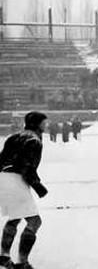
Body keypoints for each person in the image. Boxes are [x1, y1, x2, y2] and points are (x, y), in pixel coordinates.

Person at [0, 111, 49, 269]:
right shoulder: (34, 140)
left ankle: (4, 256)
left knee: (15, 217)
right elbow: (26, 167)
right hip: (17, 179)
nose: (46, 125)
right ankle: (22, 262)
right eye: (44, 122)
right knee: (35, 221)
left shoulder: (14, 137)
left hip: (3, 178)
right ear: (37, 124)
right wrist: (38, 187)